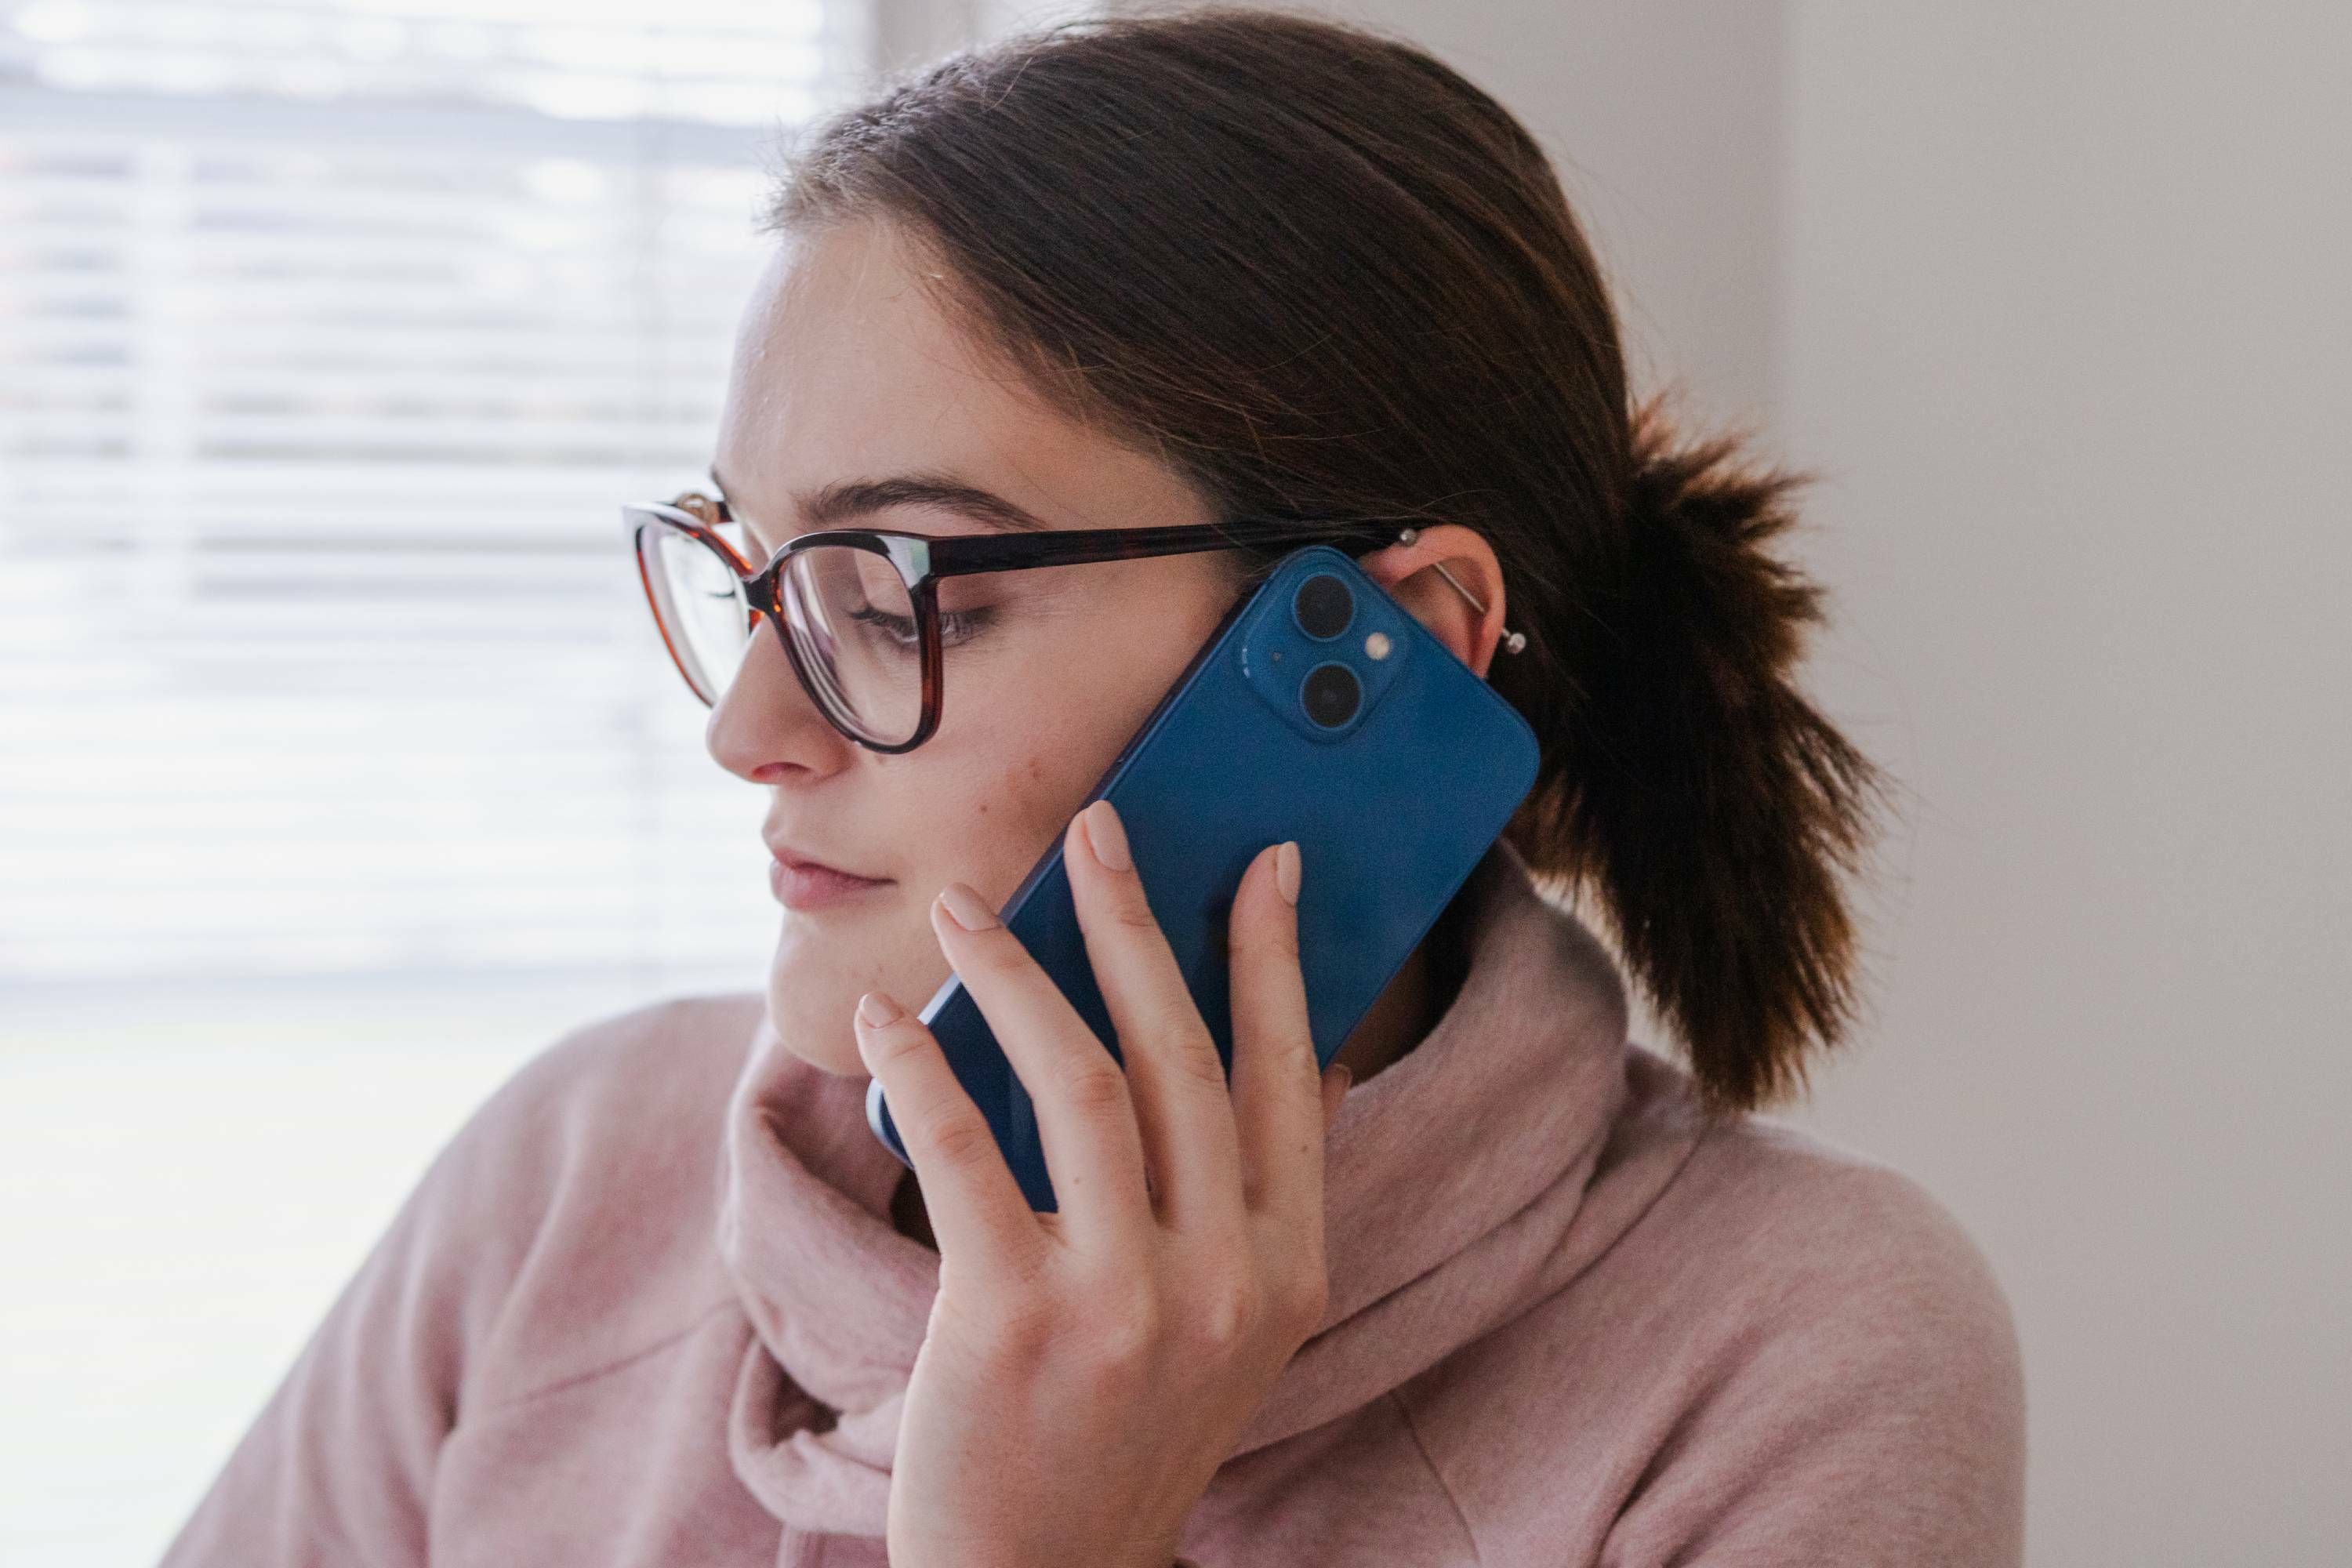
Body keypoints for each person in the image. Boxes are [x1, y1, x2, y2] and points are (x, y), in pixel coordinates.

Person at [158, 6, 2024, 1566]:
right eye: (753, 570)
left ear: (1393, 650)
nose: (747, 727)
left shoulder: (1784, 1352)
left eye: (891, 588)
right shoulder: (572, 1185)